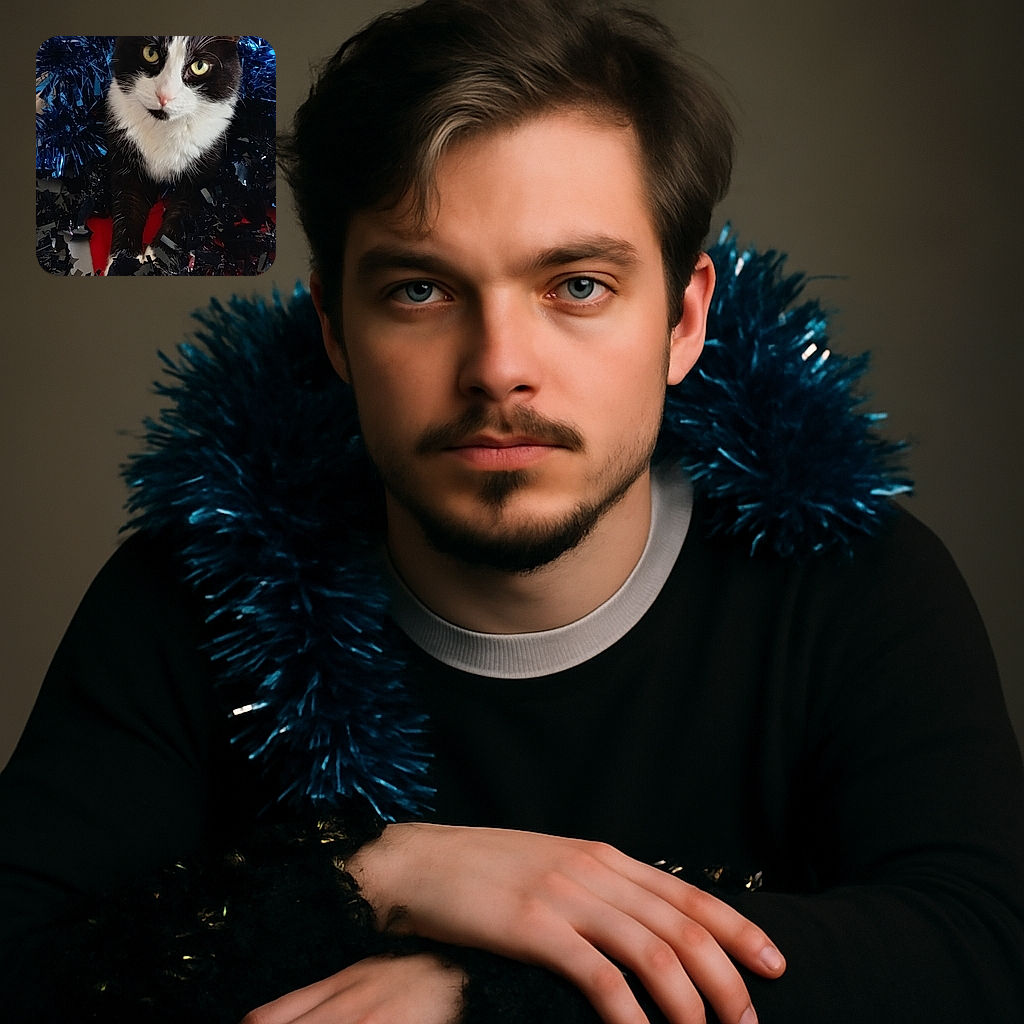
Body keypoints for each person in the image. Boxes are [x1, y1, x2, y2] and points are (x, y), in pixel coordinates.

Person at [2, 1, 1023, 1022]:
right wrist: (373, 876)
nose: (499, 369)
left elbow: (980, 952)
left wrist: (497, 989)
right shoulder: (186, 602)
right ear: (335, 331)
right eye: (418, 290)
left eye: (576, 284)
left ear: (683, 320)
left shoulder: (853, 583)